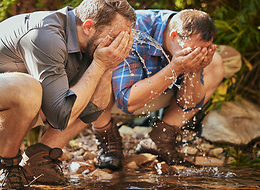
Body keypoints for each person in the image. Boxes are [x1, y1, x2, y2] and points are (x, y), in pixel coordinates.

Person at [0, 0, 136, 190]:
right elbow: (60, 115)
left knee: (90, 91)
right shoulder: (44, 34)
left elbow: (94, 109)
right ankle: (3, 165)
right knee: (28, 88)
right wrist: (100, 65)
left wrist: (108, 67)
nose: (119, 44)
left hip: (14, 107)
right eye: (115, 37)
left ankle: (40, 159)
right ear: (88, 26)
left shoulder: (91, 46)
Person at [91, 9, 225, 170]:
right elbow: (127, 102)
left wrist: (195, 70)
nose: (196, 56)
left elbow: (187, 103)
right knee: (100, 69)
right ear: (174, 36)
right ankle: (108, 141)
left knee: (215, 61)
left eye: (203, 50)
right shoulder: (132, 31)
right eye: (193, 51)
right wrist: (175, 68)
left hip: (155, 91)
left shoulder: (186, 29)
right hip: (110, 97)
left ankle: (161, 138)